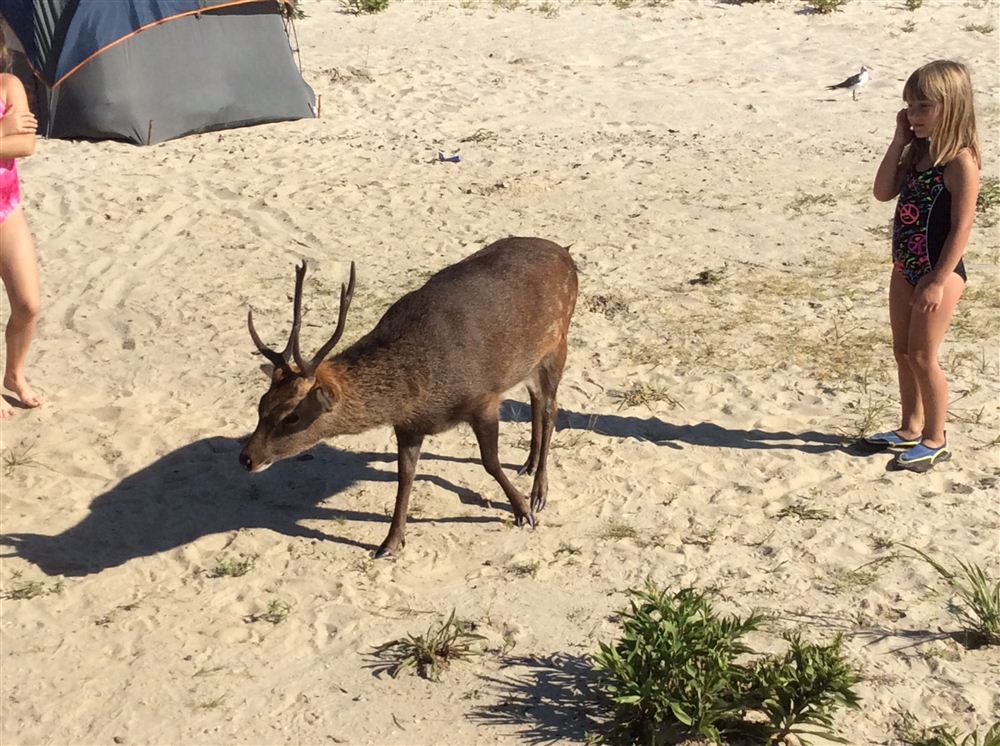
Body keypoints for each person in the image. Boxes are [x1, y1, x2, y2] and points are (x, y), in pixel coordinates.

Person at [867, 60, 981, 472]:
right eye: (908, 106)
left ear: (950, 107)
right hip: (905, 267)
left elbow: (961, 228)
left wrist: (937, 280)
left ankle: (936, 437)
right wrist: (898, 141)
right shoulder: (917, 153)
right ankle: (909, 427)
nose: (912, 115)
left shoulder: (960, 163)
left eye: (922, 107)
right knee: (901, 352)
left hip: (940, 272)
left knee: (922, 355)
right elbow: (882, 192)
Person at [0, 28, 41, 419]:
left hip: (6, 208)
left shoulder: (9, 85)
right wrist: (3, 133)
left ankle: (14, 374)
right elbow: (10, 140)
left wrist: (11, 137)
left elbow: (25, 145)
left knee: (28, 304)